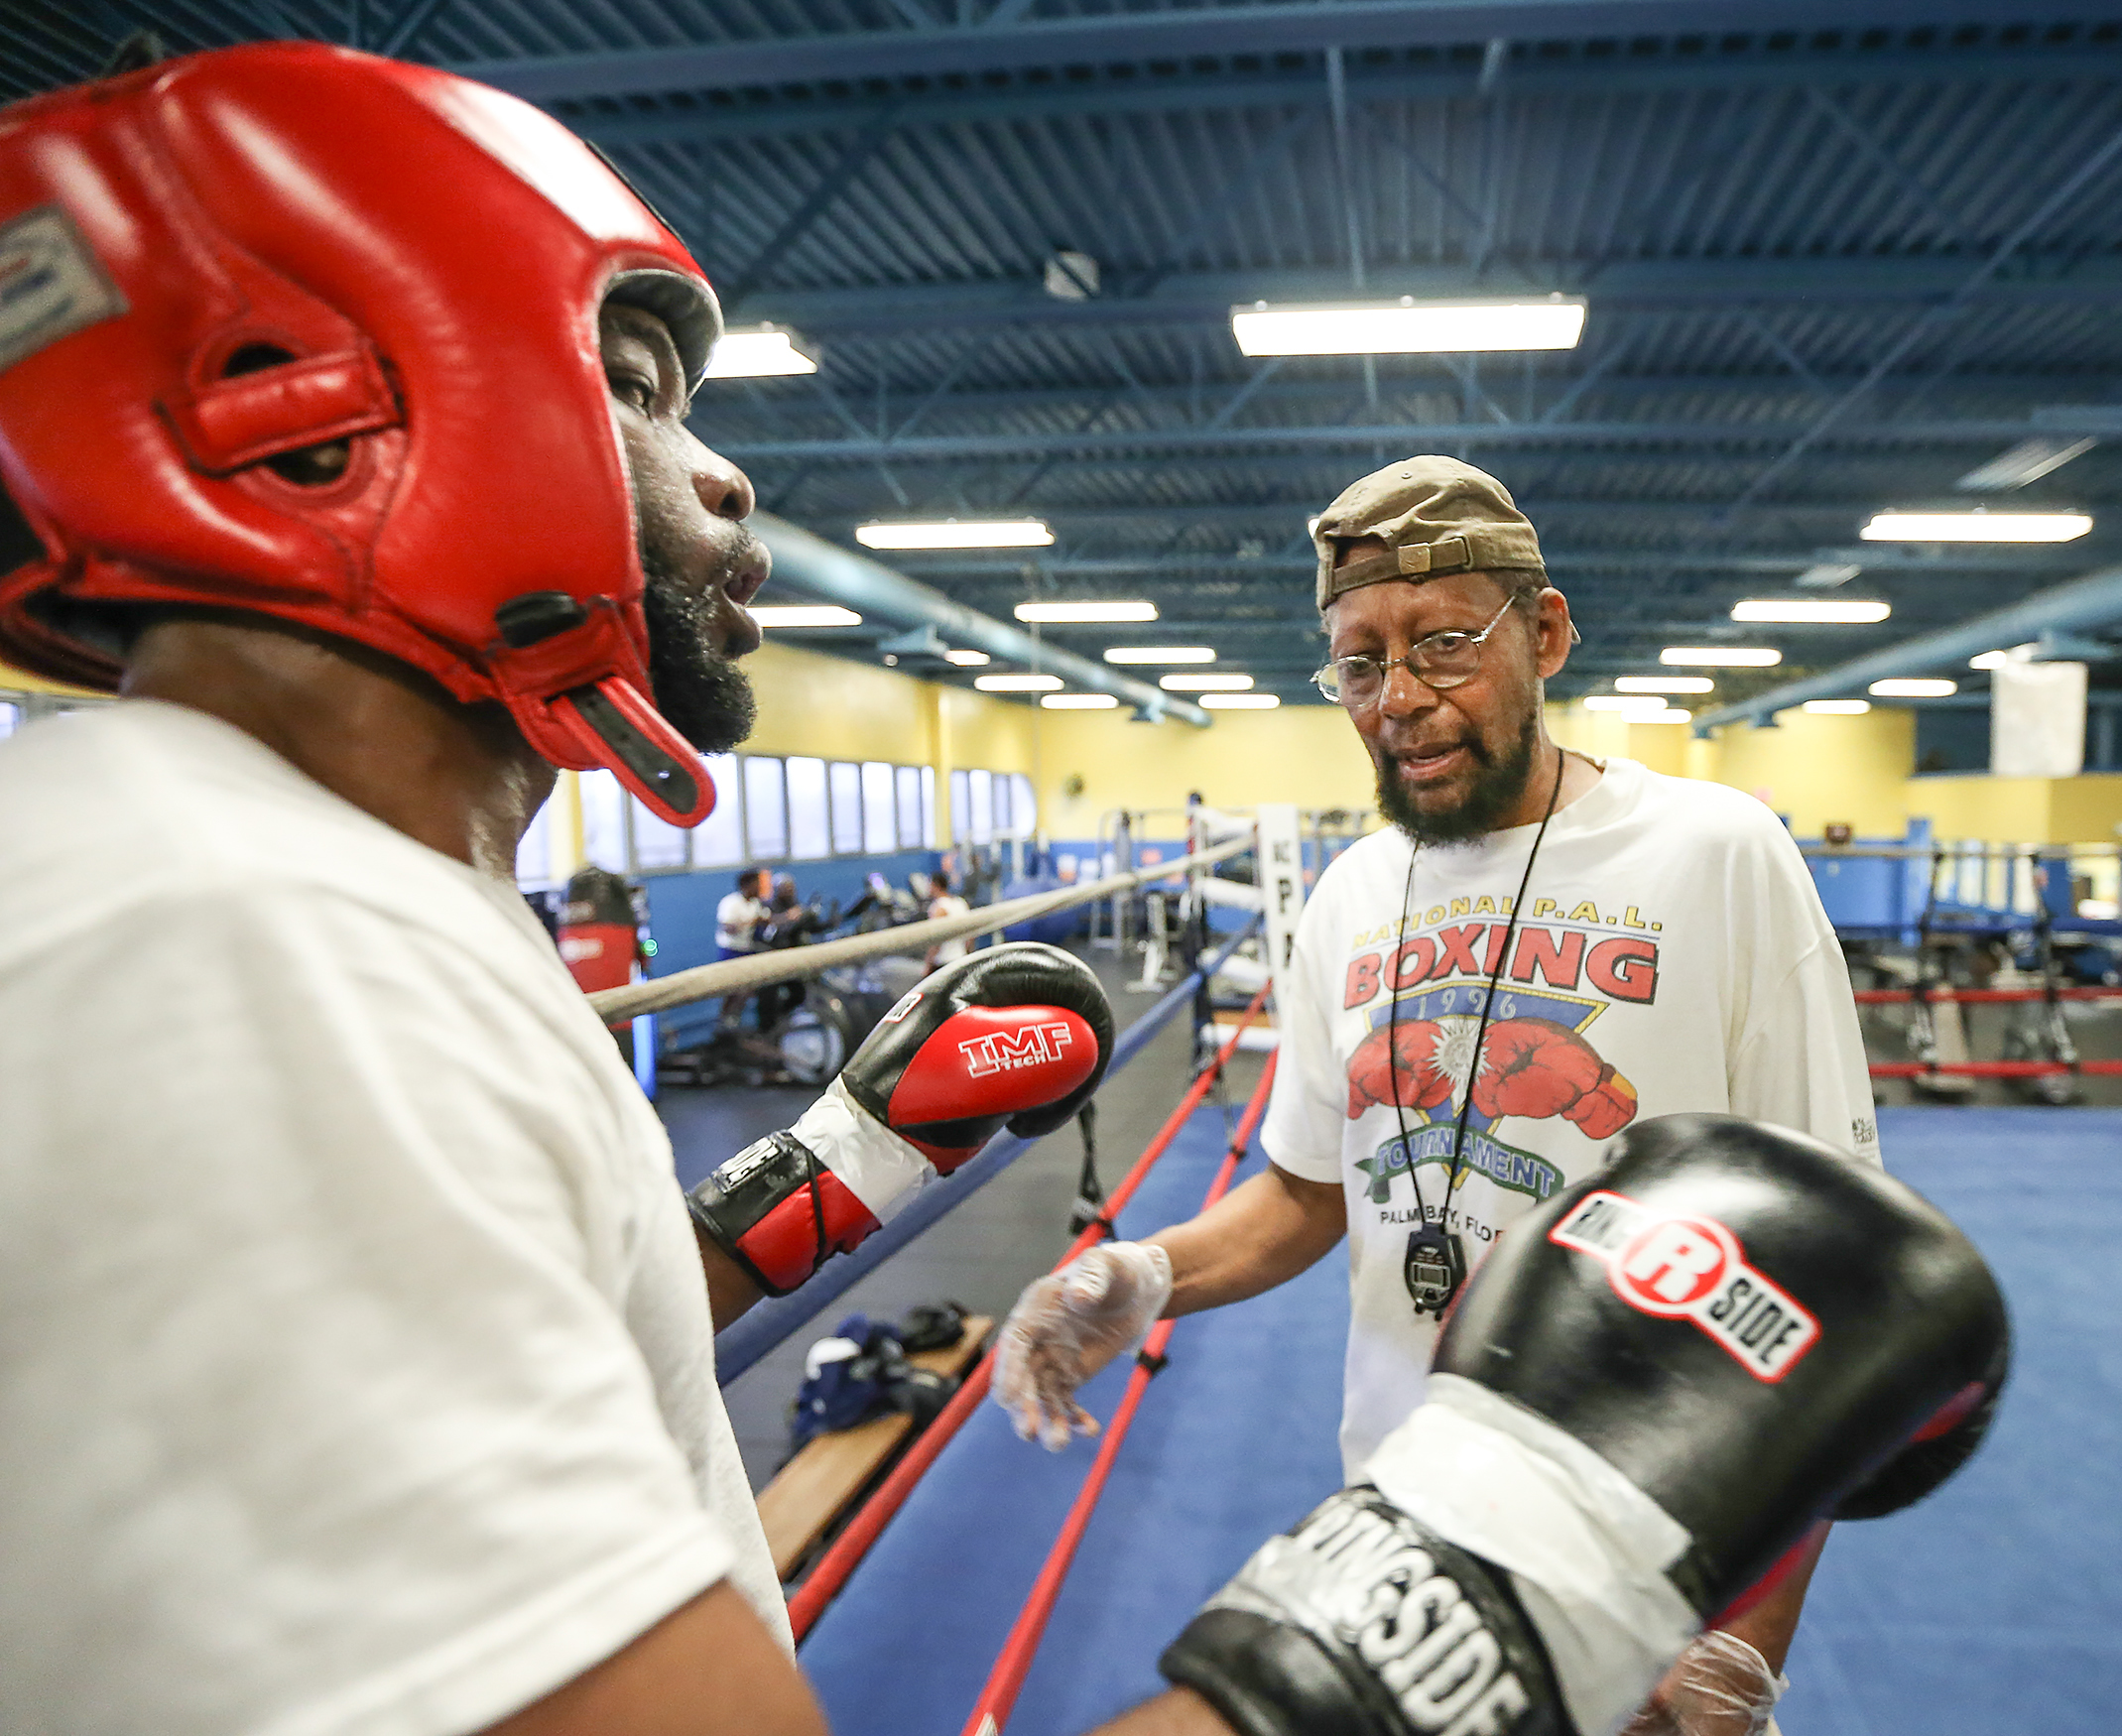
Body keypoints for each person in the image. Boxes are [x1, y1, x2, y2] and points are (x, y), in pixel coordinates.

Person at [0, 41, 1110, 1736]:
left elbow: (507, 1337)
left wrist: (836, 1166)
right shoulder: (239, 949)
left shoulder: (302, 883)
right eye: (639, 390)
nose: (724, 473)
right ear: (311, 421)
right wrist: (1450, 1575)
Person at [994, 455, 1883, 1734]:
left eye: (1446, 645)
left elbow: (1830, 1274)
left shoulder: (1715, 853)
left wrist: (1741, 1653)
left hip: (1660, 1564)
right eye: (1359, 664)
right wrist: (1140, 1276)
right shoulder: (1352, 895)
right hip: (1407, 1552)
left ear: (1547, 634)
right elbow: (1307, 1193)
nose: (1400, 698)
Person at [714, 866, 772, 1035]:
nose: (759, 888)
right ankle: (723, 1024)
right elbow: (728, 928)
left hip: (747, 949)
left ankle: (734, 1019)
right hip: (731, 950)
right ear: (747, 885)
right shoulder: (730, 902)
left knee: (748, 988)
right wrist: (751, 921)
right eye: (757, 884)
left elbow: (767, 920)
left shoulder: (755, 903)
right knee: (731, 989)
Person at [927, 867, 973, 967]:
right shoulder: (960, 902)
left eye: (929, 885)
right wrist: (968, 954)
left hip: (943, 961)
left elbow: (936, 940)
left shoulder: (939, 907)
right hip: (960, 958)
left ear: (935, 886)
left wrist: (928, 964)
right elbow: (971, 935)